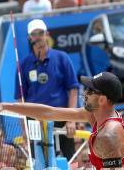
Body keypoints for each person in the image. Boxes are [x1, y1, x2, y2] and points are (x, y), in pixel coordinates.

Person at [16, 19, 79, 160]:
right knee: (39, 165)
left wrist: (71, 120)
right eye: (34, 34)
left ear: (47, 34)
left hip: (61, 118)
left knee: (69, 161)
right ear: (29, 37)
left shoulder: (62, 58)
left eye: (41, 33)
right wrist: (24, 129)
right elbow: (20, 99)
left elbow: (73, 90)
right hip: (34, 121)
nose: (38, 36)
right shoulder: (23, 64)